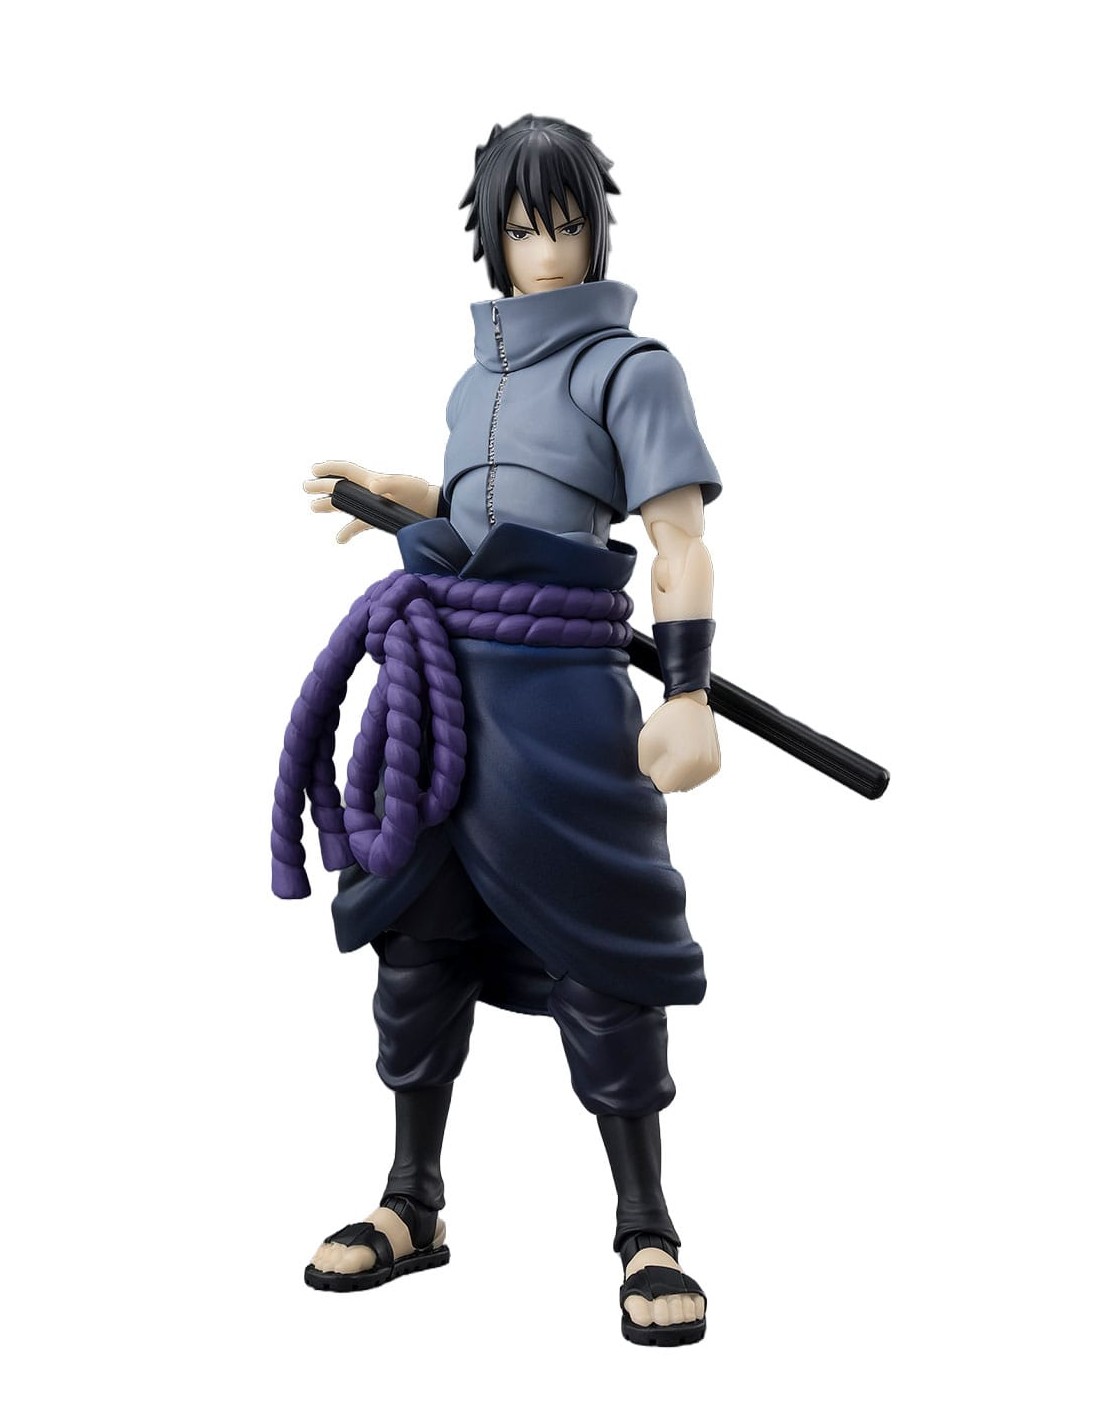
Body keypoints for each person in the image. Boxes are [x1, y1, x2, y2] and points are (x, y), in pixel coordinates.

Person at [275, 114, 722, 1346]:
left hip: (560, 703)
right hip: (439, 704)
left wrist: (685, 693)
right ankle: (411, 1201)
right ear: (493, 238)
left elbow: (678, 539)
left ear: (596, 227)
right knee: (416, 946)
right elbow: (491, 511)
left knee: (606, 956)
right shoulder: (474, 379)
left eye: (566, 222)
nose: (548, 248)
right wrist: (412, 500)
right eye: (524, 227)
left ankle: (646, 1231)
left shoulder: (632, 370)